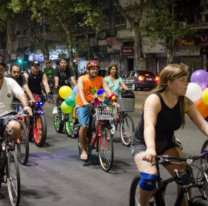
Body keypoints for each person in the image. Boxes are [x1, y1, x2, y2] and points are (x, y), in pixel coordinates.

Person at [131, 64, 208, 206]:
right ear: (170, 83)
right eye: (183, 80)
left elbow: (203, 124)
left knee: (185, 177)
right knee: (149, 177)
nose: (187, 84)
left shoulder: (184, 101)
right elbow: (149, 126)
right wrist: (150, 148)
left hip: (166, 143)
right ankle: (143, 204)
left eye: (187, 79)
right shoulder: (154, 100)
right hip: (144, 143)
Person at [75, 60, 120, 161]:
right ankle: (83, 150)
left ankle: (104, 128)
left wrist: (114, 101)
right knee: (84, 126)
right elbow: (80, 91)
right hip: (83, 104)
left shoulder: (101, 79)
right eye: (93, 69)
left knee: (107, 110)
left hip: (96, 102)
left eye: (96, 69)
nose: (95, 71)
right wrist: (84, 102)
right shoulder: (82, 78)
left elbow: (108, 90)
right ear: (88, 70)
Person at [0, 62, 32, 143]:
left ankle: (9, 146)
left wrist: (26, 105)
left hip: (7, 114)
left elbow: (20, 93)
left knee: (16, 126)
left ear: (4, 71)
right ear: (10, 72)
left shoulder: (10, 82)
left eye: (1, 69)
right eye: (14, 72)